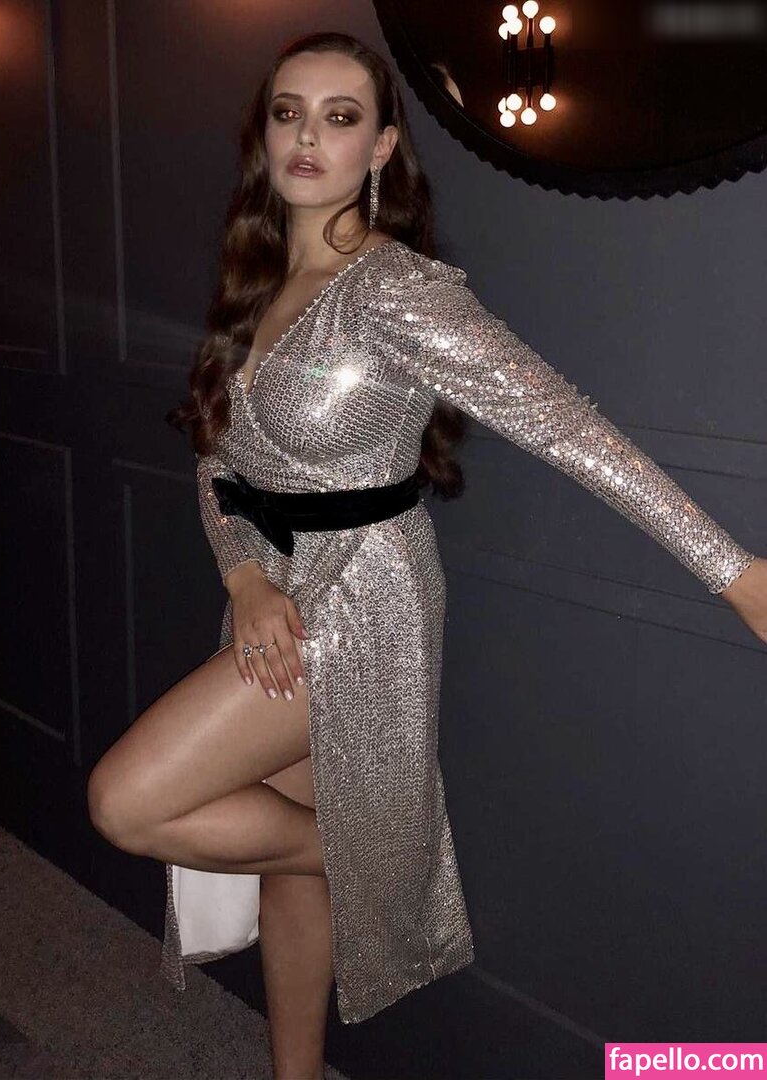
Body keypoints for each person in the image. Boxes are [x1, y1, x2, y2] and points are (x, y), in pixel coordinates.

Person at [86, 30, 766, 1080]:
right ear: (262, 135)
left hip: (363, 598)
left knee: (126, 802)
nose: (307, 136)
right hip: (275, 591)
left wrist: (736, 573)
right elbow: (217, 463)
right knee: (292, 865)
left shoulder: (396, 289)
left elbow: (565, 427)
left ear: (381, 148)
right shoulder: (259, 279)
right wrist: (244, 574)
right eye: (287, 112)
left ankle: (381, 866)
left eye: (340, 117)